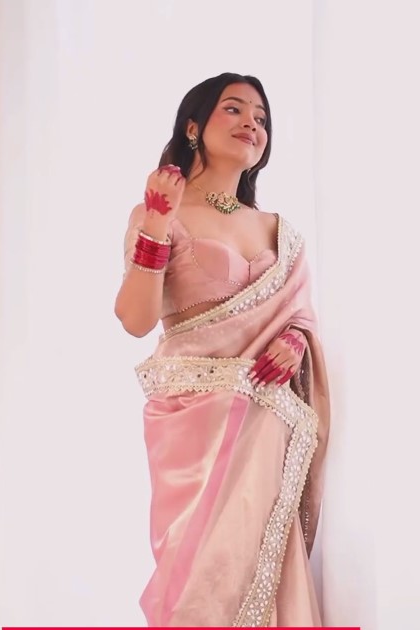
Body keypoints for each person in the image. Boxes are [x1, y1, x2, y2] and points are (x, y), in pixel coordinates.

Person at [114, 72, 330, 627]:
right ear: (193, 126)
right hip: (194, 425)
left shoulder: (281, 233)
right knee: (199, 577)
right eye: (233, 109)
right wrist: (156, 225)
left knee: (265, 567)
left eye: (261, 118)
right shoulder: (161, 212)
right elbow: (135, 319)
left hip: (266, 422)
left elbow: (300, 317)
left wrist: (295, 340)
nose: (251, 124)